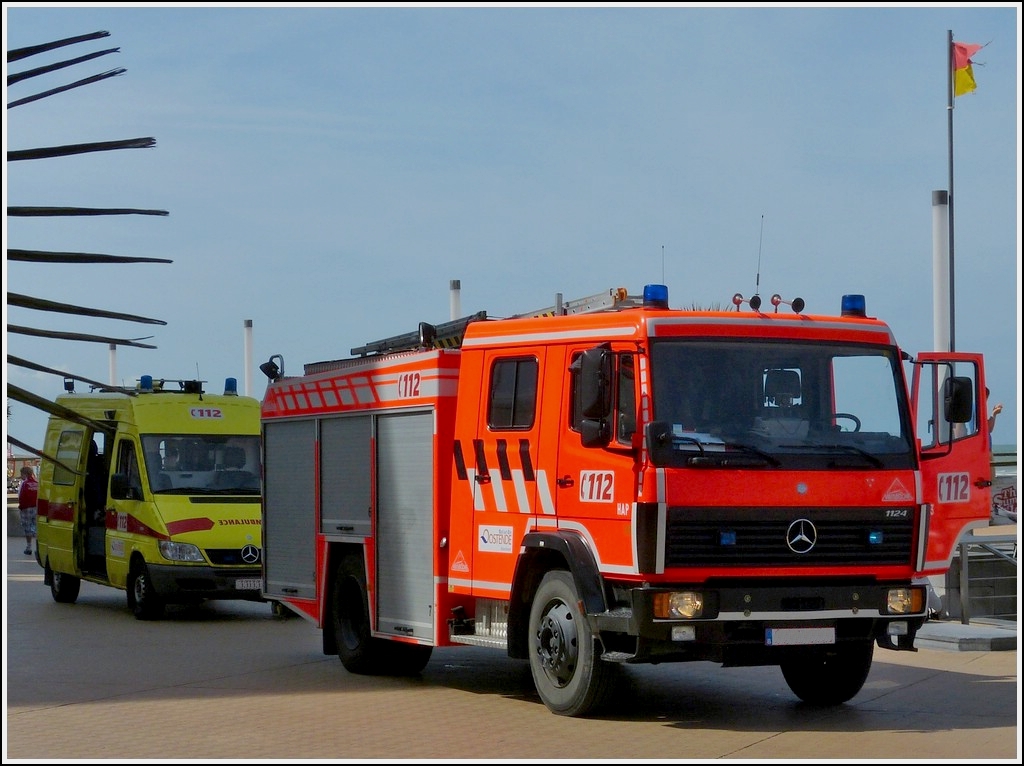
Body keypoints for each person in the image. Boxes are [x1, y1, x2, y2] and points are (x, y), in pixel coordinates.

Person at [17, 466, 39, 556]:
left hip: (26, 508)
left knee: (27, 528)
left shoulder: (24, 483)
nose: (21, 476)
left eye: (21, 474)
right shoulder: (37, 483)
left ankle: (29, 547)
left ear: (25, 474)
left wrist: (21, 507)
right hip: (36, 508)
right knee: (36, 528)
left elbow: (21, 496)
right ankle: (38, 548)